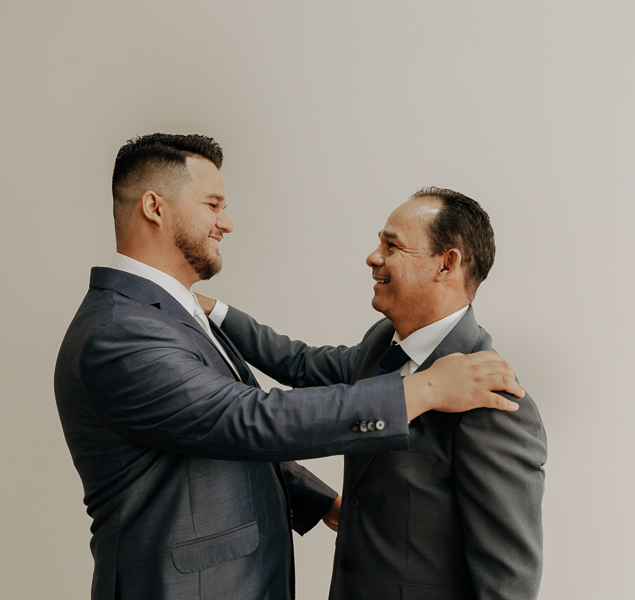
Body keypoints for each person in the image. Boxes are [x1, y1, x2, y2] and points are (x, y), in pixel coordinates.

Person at [54, 134, 524, 600]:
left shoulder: (168, 314)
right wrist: (424, 391)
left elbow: (205, 433)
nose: (227, 223)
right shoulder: (122, 331)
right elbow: (244, 419)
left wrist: (317, 500)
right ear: (155, 207)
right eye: (213, 205)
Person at [204, 188, 547, 600]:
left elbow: (509, 581)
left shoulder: (494, 400)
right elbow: (300, 363)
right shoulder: (380, 344)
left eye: (392, 245)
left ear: (447, 264)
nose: (373, 256)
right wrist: (207, 310)